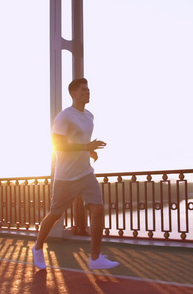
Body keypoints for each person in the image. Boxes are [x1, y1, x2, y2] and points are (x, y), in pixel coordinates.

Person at [32, 78, 119, 270]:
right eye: (83, 90)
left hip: (85, 172)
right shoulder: (64, 116)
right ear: (73, 93)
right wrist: (86, 146)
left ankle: (95, 258)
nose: (88, 92)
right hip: (66, 176)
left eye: (88, 89)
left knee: (97, 209)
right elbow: (58, 144)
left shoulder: (89, 116)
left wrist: (89, 151)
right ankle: (37, 248)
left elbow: (79, 141)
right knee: (55, 213)